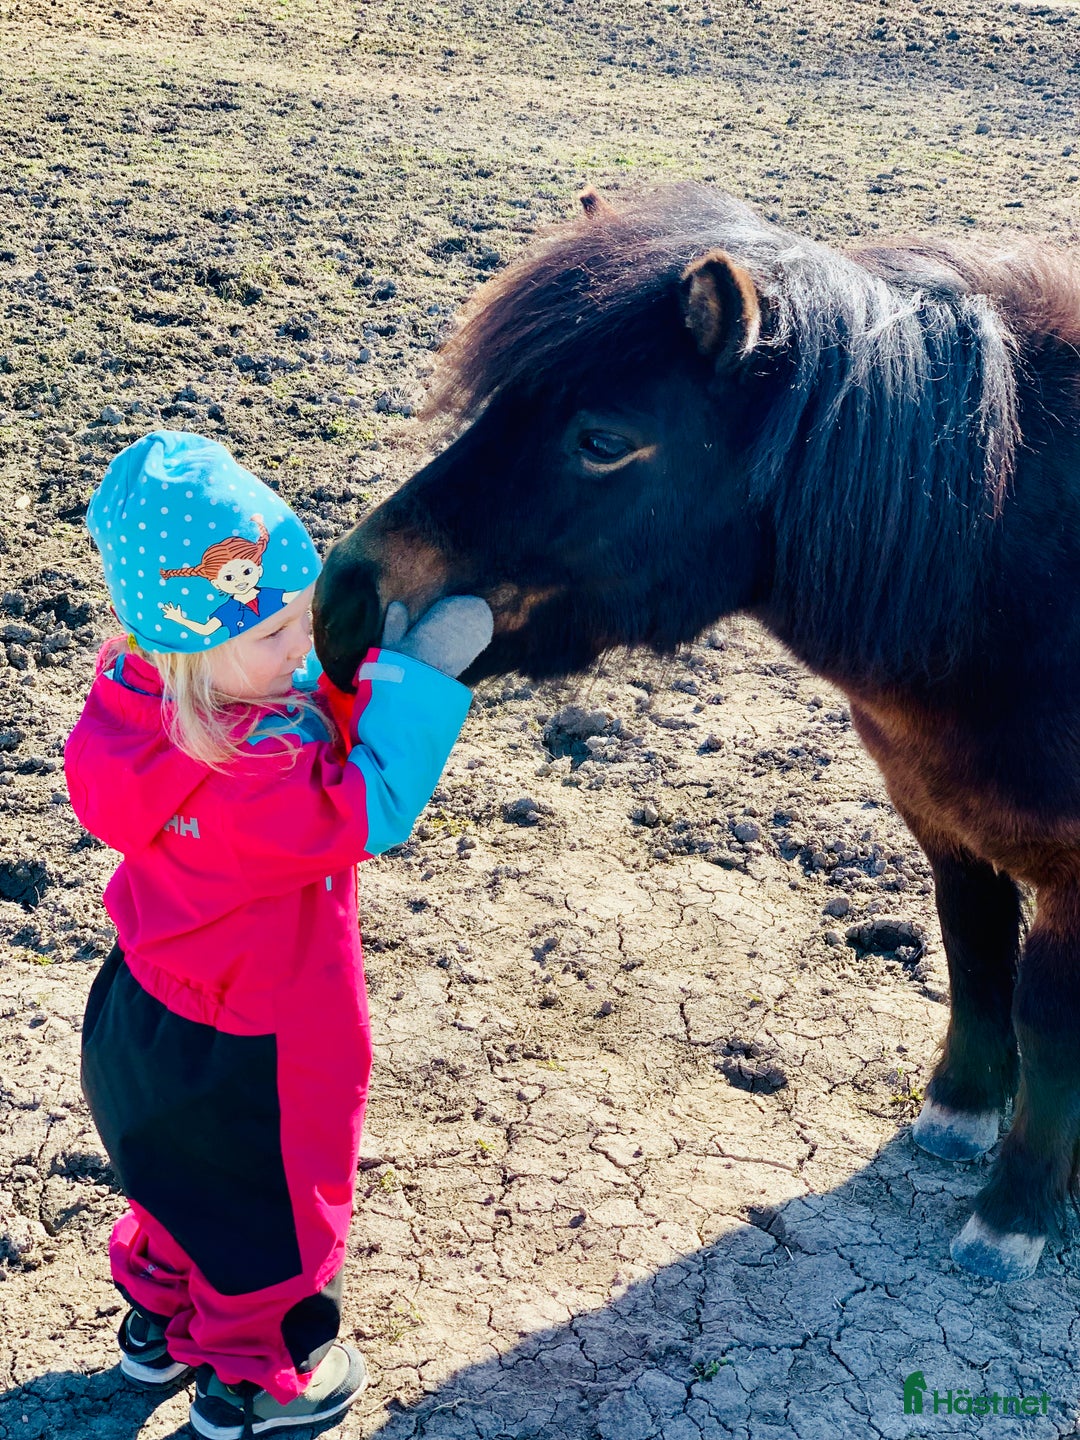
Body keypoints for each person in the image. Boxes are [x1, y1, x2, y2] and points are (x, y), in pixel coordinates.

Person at [64, 430, 492, 1439]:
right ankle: (260, 1379)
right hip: (257, 1041)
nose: (300, 648)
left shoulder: (134, 719)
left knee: (176, 1188)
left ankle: (160, 1324)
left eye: (300, 619)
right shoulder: (250, 781)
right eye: (273, 633)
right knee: (274, 1217)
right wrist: (420, 681)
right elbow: (371, 802)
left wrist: (332, 677)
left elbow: (296, 716)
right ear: (185, 643)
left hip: (139, 1021)